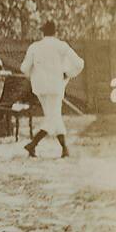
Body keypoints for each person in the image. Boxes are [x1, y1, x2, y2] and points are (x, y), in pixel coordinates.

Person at [21, 20, 85, 158]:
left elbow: (24, 68)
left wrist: (33, 75)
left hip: (39, 88)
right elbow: (79, 63)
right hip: (55, 87)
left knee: (53, 117)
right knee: (53, 118)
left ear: (43, 32)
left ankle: (63, 149)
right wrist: (67, 73)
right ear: (55, 32)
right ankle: (33, 144)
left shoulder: (34, 47)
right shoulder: (61, 46)